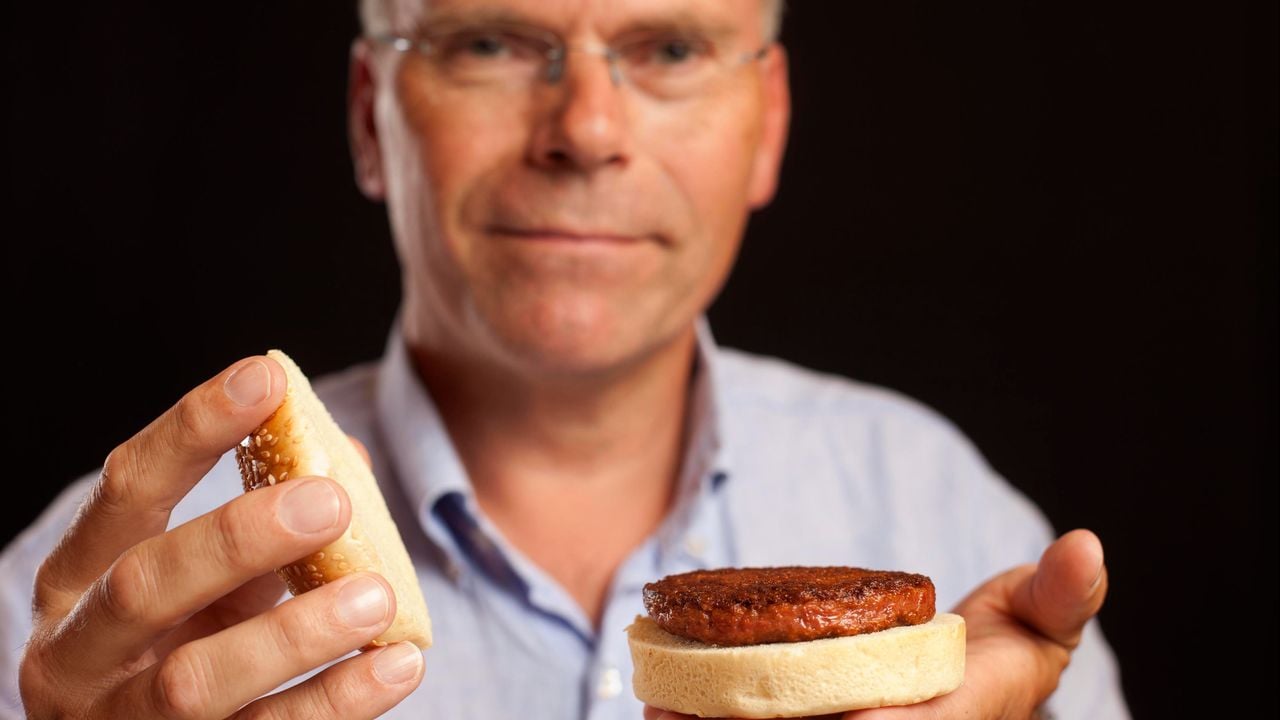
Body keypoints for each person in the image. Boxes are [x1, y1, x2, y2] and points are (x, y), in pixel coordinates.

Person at [0, 0, 1131, 718]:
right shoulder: (97, 620)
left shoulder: (947, 511)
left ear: (768, 122)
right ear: (368, 118)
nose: (585, 130)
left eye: (671, 47)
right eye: (490, 43)